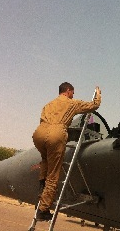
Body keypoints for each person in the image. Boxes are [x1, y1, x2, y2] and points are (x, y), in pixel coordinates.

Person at [32, 82, 101, 221]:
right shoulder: (72, 103)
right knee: (53, 174)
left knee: (45, 160)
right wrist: (98, 94)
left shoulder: (48, 105)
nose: (73, 95)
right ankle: (43, 209)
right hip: (56, 133)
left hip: (38, 133)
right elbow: (94, 106)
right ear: (68, 91)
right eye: (73, 92)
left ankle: (42, 188)